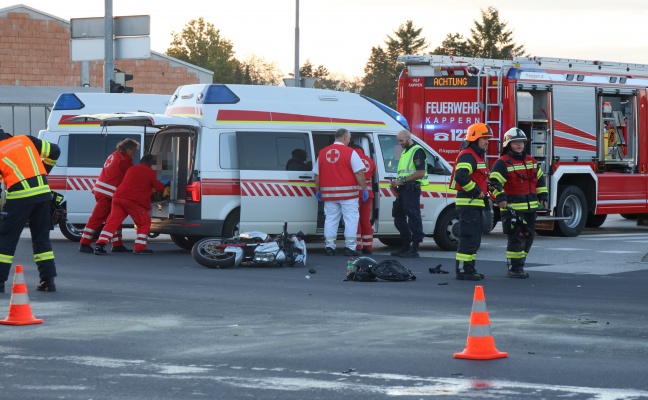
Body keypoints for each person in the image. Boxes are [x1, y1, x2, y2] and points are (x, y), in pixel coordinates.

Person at [0, 129, 60, 292]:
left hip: (20, 196)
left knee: (6, 239)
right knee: (41, 238)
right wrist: (43, 172)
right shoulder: (25, 139)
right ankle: (48, 281)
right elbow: (55, 150)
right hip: (42, 194)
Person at [489, 128, 548, 279]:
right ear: (508, 144)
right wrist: (500, 198)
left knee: (528, 238)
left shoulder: (531, 161)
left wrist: (543, 195)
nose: (519, 145)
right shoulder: (501, 163)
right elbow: (494, 183)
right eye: (515, 142)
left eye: (521, 142)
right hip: (512, 209)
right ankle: (514, 268)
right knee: (517, 238)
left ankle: (519, 264)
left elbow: (540, 180)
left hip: (530, 208)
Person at [94, 154, 165, 255]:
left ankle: (100, 245)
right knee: (144, 222)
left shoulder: (132, 168)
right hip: (133, 201)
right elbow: (159, 188)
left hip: (118, 197)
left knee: (112, 223)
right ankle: (140, 247)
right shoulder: (150, 172)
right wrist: (165, 184)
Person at [79, 138, 140, 253]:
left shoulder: (115, 155)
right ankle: (84, 243)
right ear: (128, 149)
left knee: (114, 218)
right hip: (107, 193)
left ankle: (117, 244)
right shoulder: (124, 160)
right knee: (97, 219)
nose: (135, 153)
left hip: (102, 191)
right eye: (134, 150)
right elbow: (131, 176)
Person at [314, 128, 368, 256]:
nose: (349, 141)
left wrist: (318, 190)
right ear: (344, 138)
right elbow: (359, 172)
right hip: (348, 194)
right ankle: (350, 247)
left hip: (329, 195)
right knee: (350, 220)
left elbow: (316, 175)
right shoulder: (350, 152)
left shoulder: (322, 153)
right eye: (349, 138)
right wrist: (364, 188)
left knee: (331, 219)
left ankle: (329, 247)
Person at [450, 123, 493, 281]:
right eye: (485, 138)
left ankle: (469, 268)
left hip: (474, 204)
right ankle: (463, 270)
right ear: (475, 139)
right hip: (469, 203)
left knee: (474, 239)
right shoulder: (468, 155)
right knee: (468, 238)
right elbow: (461, 176)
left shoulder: (475, 156)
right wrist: (476, 191)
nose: (487, 142)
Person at [389, 130, 428, 258]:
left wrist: (402, 180)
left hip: (411, 189)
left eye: (401, 141)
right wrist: (396, 183)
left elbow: (421, 172)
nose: (400, 143)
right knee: (398, 217)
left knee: (413, 217)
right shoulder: (405, 152)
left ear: (409, 138)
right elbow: (403, 173)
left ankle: (414, 248)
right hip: (403, 189)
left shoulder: (417, 151)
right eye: (398, 141)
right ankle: (406, 246)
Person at [350, 144, 376, 254]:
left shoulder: (351, 159)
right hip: (368, 194)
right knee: (365, 220)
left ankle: (358, 246)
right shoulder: (370, 161)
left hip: (356, 194)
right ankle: (368, 247)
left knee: (355, 219)